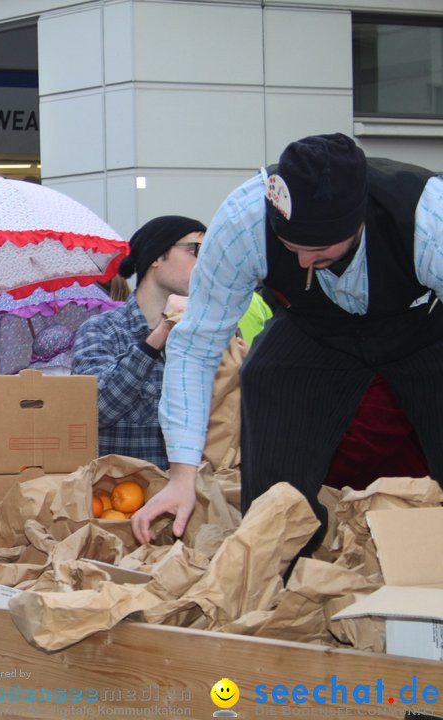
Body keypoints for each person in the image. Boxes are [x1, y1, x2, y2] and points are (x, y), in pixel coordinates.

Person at [133, 132, 443, 553]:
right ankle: (281, 572)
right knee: (264, 380)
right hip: (313, 327)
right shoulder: (243, 220)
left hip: (422, 326)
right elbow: (196, 347)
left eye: (319, 251)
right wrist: (181, 475)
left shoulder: (427, 218)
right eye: (290, 246)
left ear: (358, 220)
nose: (300, 263)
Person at [71, 216, 205, 469]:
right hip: (123, 498)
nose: (204, 264)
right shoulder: (102, 331)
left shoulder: (208, 331)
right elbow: (96, 411)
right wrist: (160, 334)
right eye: (194, 251)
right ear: (156, 256)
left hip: (198, 494)